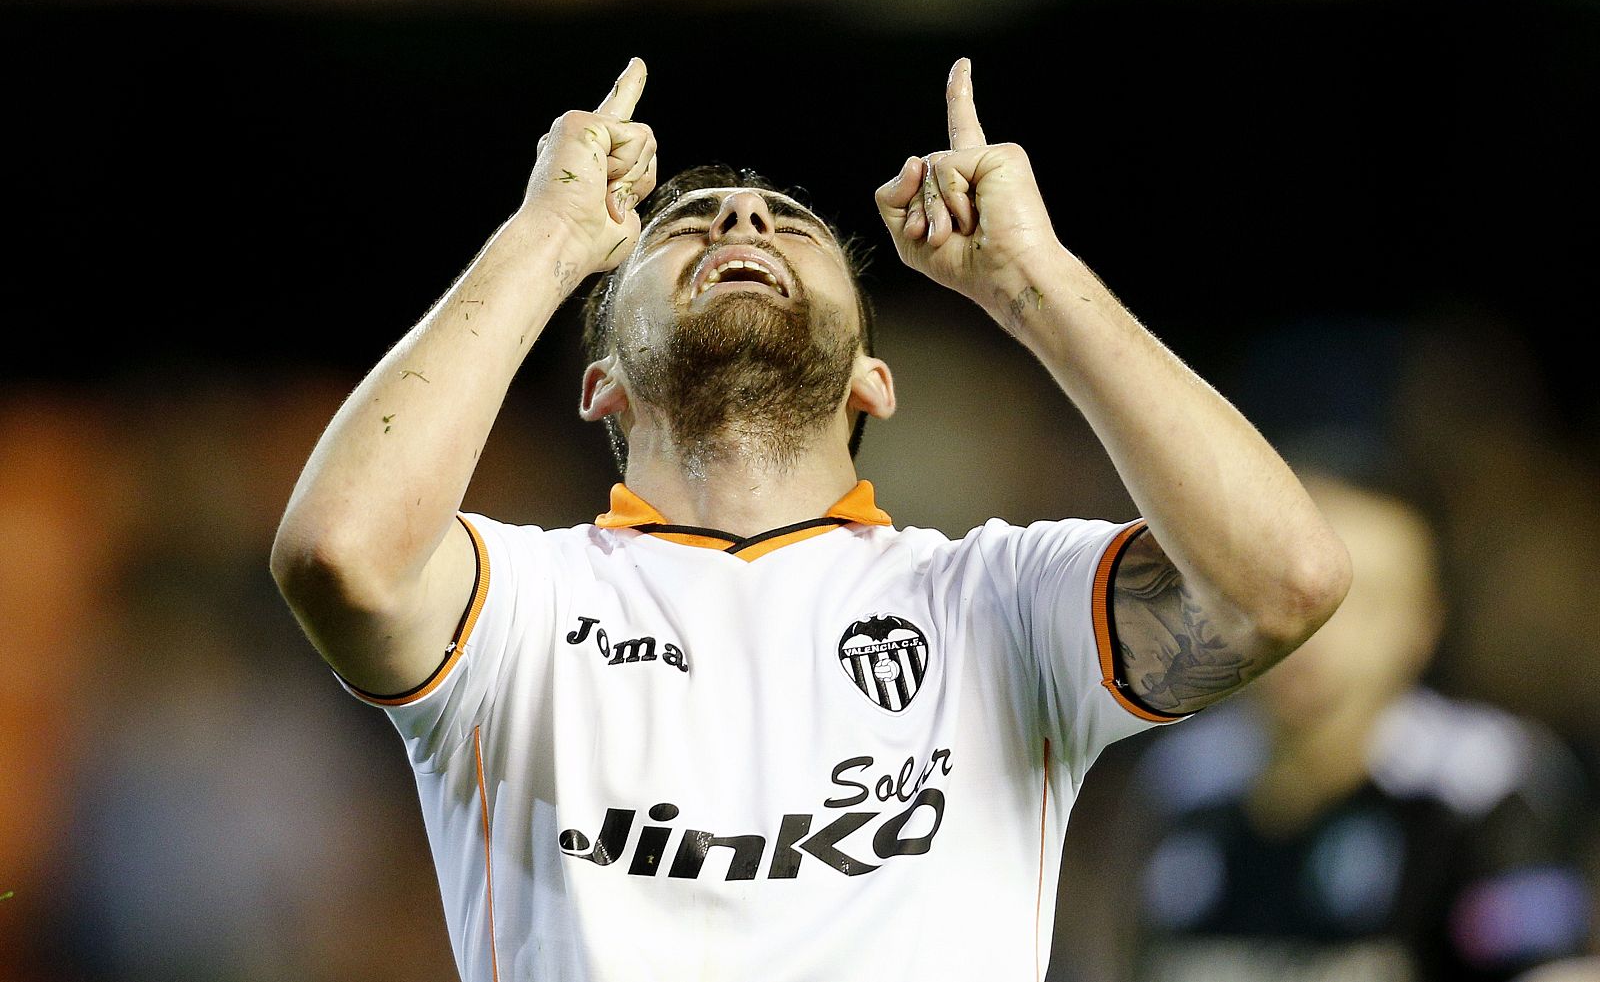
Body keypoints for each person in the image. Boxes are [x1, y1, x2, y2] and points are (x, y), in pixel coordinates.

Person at [270, 57, 1352, 982]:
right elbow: (340, 553)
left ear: (873, 383)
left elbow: (1282, 582)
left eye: (786, 225)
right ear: (601, 386)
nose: (741, 218)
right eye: (684, 227)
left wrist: (1033, 279)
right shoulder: (519, 607)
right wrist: (546, 238)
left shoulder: (997, 603)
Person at [1127, 472, 1594, 982]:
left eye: (1360, 604)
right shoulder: (1180, 780)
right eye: (1282, 591)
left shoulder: (1484, 783)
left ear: (1423, 627)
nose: (1318, 632)